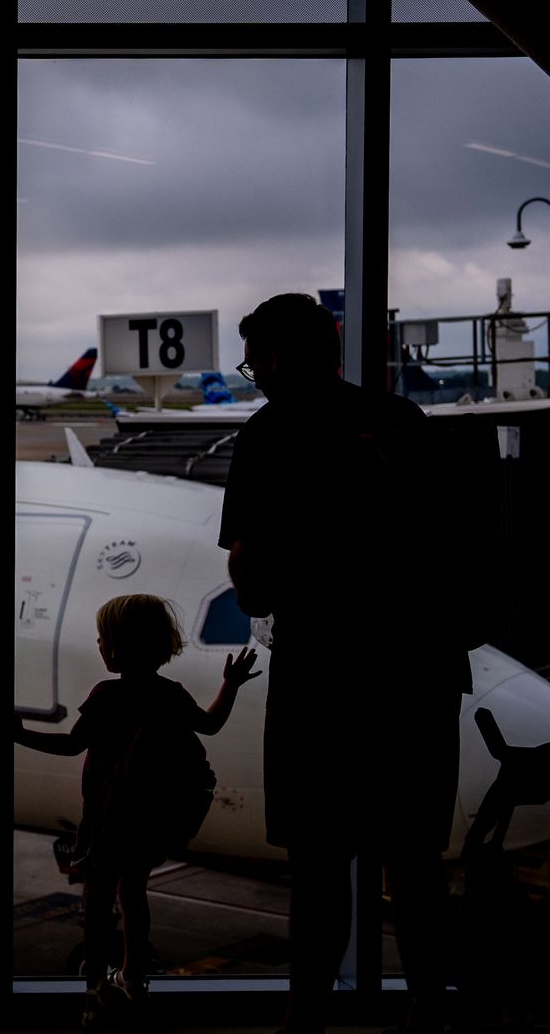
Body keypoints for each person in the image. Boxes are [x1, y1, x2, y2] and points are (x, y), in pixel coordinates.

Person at [218, 292, 469, 1034]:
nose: (254, 377)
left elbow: (254, 580)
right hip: (418, 674)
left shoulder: (270, 436)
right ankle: (428, 1008)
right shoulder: (404, 424)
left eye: (255, 361)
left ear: (275, 359)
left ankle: (307, 1017)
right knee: (415, 865)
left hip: (324, 677)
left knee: (320, 868)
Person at [0, 593, 261, 1030]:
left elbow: (71, 745)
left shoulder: (107, 695)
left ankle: (94, 980)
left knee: (96, 900)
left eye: (102, 638)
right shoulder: (170, 693)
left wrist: (17, 735)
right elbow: (211, 725)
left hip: (110, 815)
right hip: (151, 817)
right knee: (133, 892)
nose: (98, 645)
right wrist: (229, 684)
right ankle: (134, 973)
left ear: (116, 646)